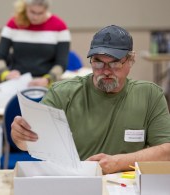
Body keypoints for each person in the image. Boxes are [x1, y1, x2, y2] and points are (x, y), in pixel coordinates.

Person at [10, 25, 170, 174]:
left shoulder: (149, 95)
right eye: (98, 63)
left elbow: (166, 151)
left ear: (130, 61)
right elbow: (33, 144)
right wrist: (21, 137)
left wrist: (117, 162)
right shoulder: (62, 93)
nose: (106, 71)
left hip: (125, 185)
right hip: (74, 182)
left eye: (115, 63)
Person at [0, 0, 71, 87]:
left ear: (47, 9)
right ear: (25, 8)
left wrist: (48, 79)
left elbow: (61, 63)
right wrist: (5, 73)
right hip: (16, 82)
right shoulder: (13, 24)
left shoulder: (60, 27)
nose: (35, 17)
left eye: (40, 13)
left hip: (45, 85)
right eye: (32, 12)